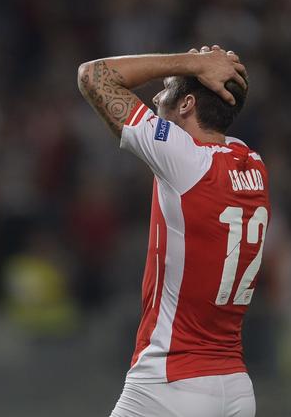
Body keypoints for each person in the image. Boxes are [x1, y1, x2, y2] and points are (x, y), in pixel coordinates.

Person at [77, 45, 270, 417]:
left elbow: (93, 76)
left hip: (172, 381)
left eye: (165, 89)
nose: (154, 97)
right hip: (235, 388)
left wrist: (192, 63)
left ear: (187, 106)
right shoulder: (252, 162)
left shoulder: (184, 160)